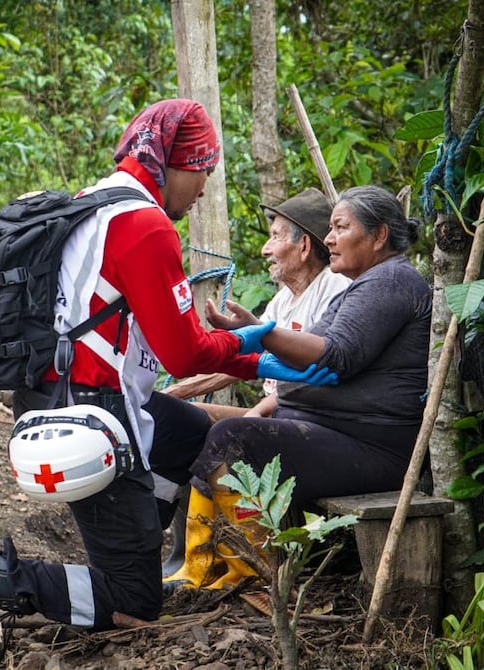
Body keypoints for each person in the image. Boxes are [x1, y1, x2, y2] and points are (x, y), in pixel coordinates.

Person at [0, 99, 336, 670]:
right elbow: (183, 352)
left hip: (58, 394)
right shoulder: (144, 225)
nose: (204, 186)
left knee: (190, 432)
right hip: (90, 414)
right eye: (202, 168)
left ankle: (132, 544)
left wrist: (252, 351)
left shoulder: (94, 203)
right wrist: (265, 350)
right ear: (173, 165)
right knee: (136, 600)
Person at [189, 184, 431, 590]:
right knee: (195, 426)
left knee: (234, 437)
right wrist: (256, 333)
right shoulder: (363, 285)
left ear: (379, 235)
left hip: (374, 448)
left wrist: (262, 334)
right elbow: (298, 359)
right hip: (330, 431)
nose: (330, 239)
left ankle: (254, 573)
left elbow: (335, 356)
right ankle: (200, 563)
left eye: (340, 227)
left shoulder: (391, 281)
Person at [161, 187, 350, 590]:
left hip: (307, 419)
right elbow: (248, 363)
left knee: (219, 433)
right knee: (182, 423)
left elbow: (318, 375)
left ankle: (245, 565)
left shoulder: (333, 293)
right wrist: (178, 393)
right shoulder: (285, 299)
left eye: (276, 237)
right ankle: (193, 557)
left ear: (303, 247)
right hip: (281, 412)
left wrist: (260, 410)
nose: (266, 249)